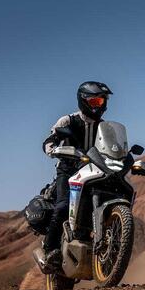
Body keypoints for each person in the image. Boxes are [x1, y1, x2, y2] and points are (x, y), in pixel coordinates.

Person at [41, 81, 112, 268]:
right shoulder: (68, 121)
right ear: (83, 100)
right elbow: (48, 142)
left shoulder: (105, 127)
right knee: (64, 206)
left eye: (102, 102)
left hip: (94, 170)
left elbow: (112, 148)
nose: (100, 106)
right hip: (68, 169)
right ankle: (50, 250)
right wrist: (55, 150)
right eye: (96, 102)